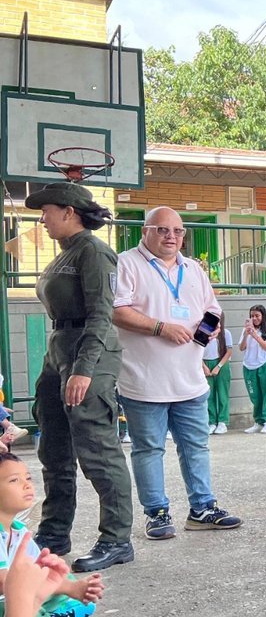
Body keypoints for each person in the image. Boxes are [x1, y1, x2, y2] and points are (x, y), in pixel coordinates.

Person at [112, 207, 243, 540]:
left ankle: (202, 509)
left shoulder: (194, 269)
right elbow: (116, 310)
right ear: (146, 231)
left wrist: (209, 328)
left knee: (196, 447)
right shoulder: (127, 263)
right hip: (144, 381)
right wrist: (160, 328)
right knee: (148, 449)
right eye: (162, 229)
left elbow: (213, 308)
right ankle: (156, 513)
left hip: (190, 379)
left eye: (178, 231)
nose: (171, 236)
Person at [23, 182, 134, 573]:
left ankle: (116, 539)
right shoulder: (65, 254)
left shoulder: (94, 252)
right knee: (53, 449)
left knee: (98, 449)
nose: (43, 219)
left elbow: (101, 315)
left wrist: (84, 369)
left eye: (47, 211)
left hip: (90, 355)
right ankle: (53, 535)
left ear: (69, 212)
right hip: (59, 350)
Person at [0, 453, 103, 616]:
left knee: (59, 575)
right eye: (14, 480)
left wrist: (69, 585)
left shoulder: (19, 530)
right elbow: (6, 581)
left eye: (28, 478)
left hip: (17, 595)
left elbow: (34, 570)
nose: (27, 485)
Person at [239, 304, 266, 435]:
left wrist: (256, 336)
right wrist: (246, 334)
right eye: (252, 316)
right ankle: (258, 421)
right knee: (255, 395)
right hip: (249, 365)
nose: (254, 318)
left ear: (263, 316)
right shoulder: (246, 331)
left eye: (257, 316)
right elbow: (241, 348)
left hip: (264, 364)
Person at [202, 313, 233, 436]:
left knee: (222, 393)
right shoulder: (203, 333)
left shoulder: (226, 333)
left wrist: (219, 366)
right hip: (206, 364)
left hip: (221, 363)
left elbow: (229, 351)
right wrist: (203, 366)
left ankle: (222, 421)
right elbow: (197, 350)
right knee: (209, 394)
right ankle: (212, 421)